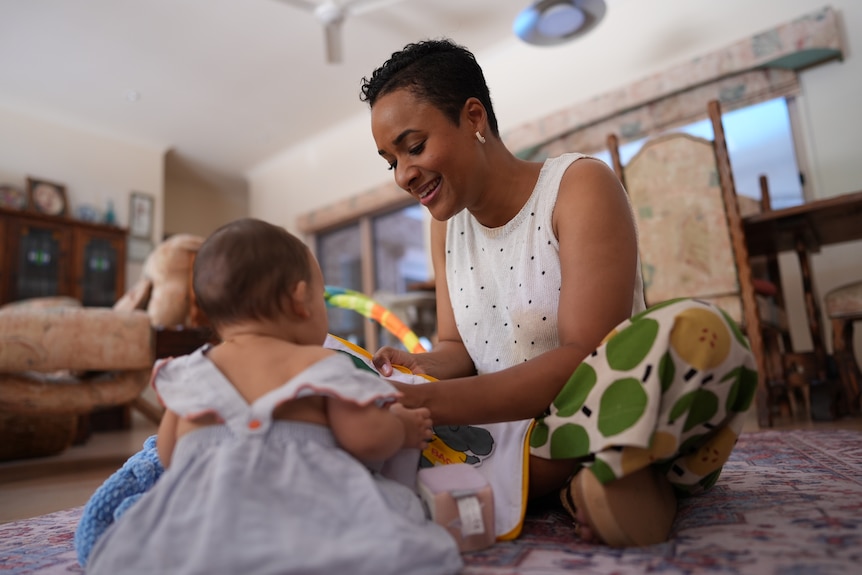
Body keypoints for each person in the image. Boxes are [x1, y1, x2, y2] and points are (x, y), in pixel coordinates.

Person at [360, 39, 757, 547]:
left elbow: (584, 357)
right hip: (508, 433)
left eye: (413, 147)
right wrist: (414, 372)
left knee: (705, 334)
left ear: (474, 118)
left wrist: (434, 403)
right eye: (389, 160)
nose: (403, 175)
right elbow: (457, 349)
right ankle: (594, 482)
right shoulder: (445, 227)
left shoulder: (579, 185)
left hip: (597, 414)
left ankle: (573, 474)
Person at [85, 218, 463, 575]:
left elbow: (170, 453)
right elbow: (366, 439)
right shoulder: (319, 362)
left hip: (205, 524)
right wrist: (402, 427)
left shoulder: (191, 371)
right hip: (304, 513)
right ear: (301, 299)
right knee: (391, 529)